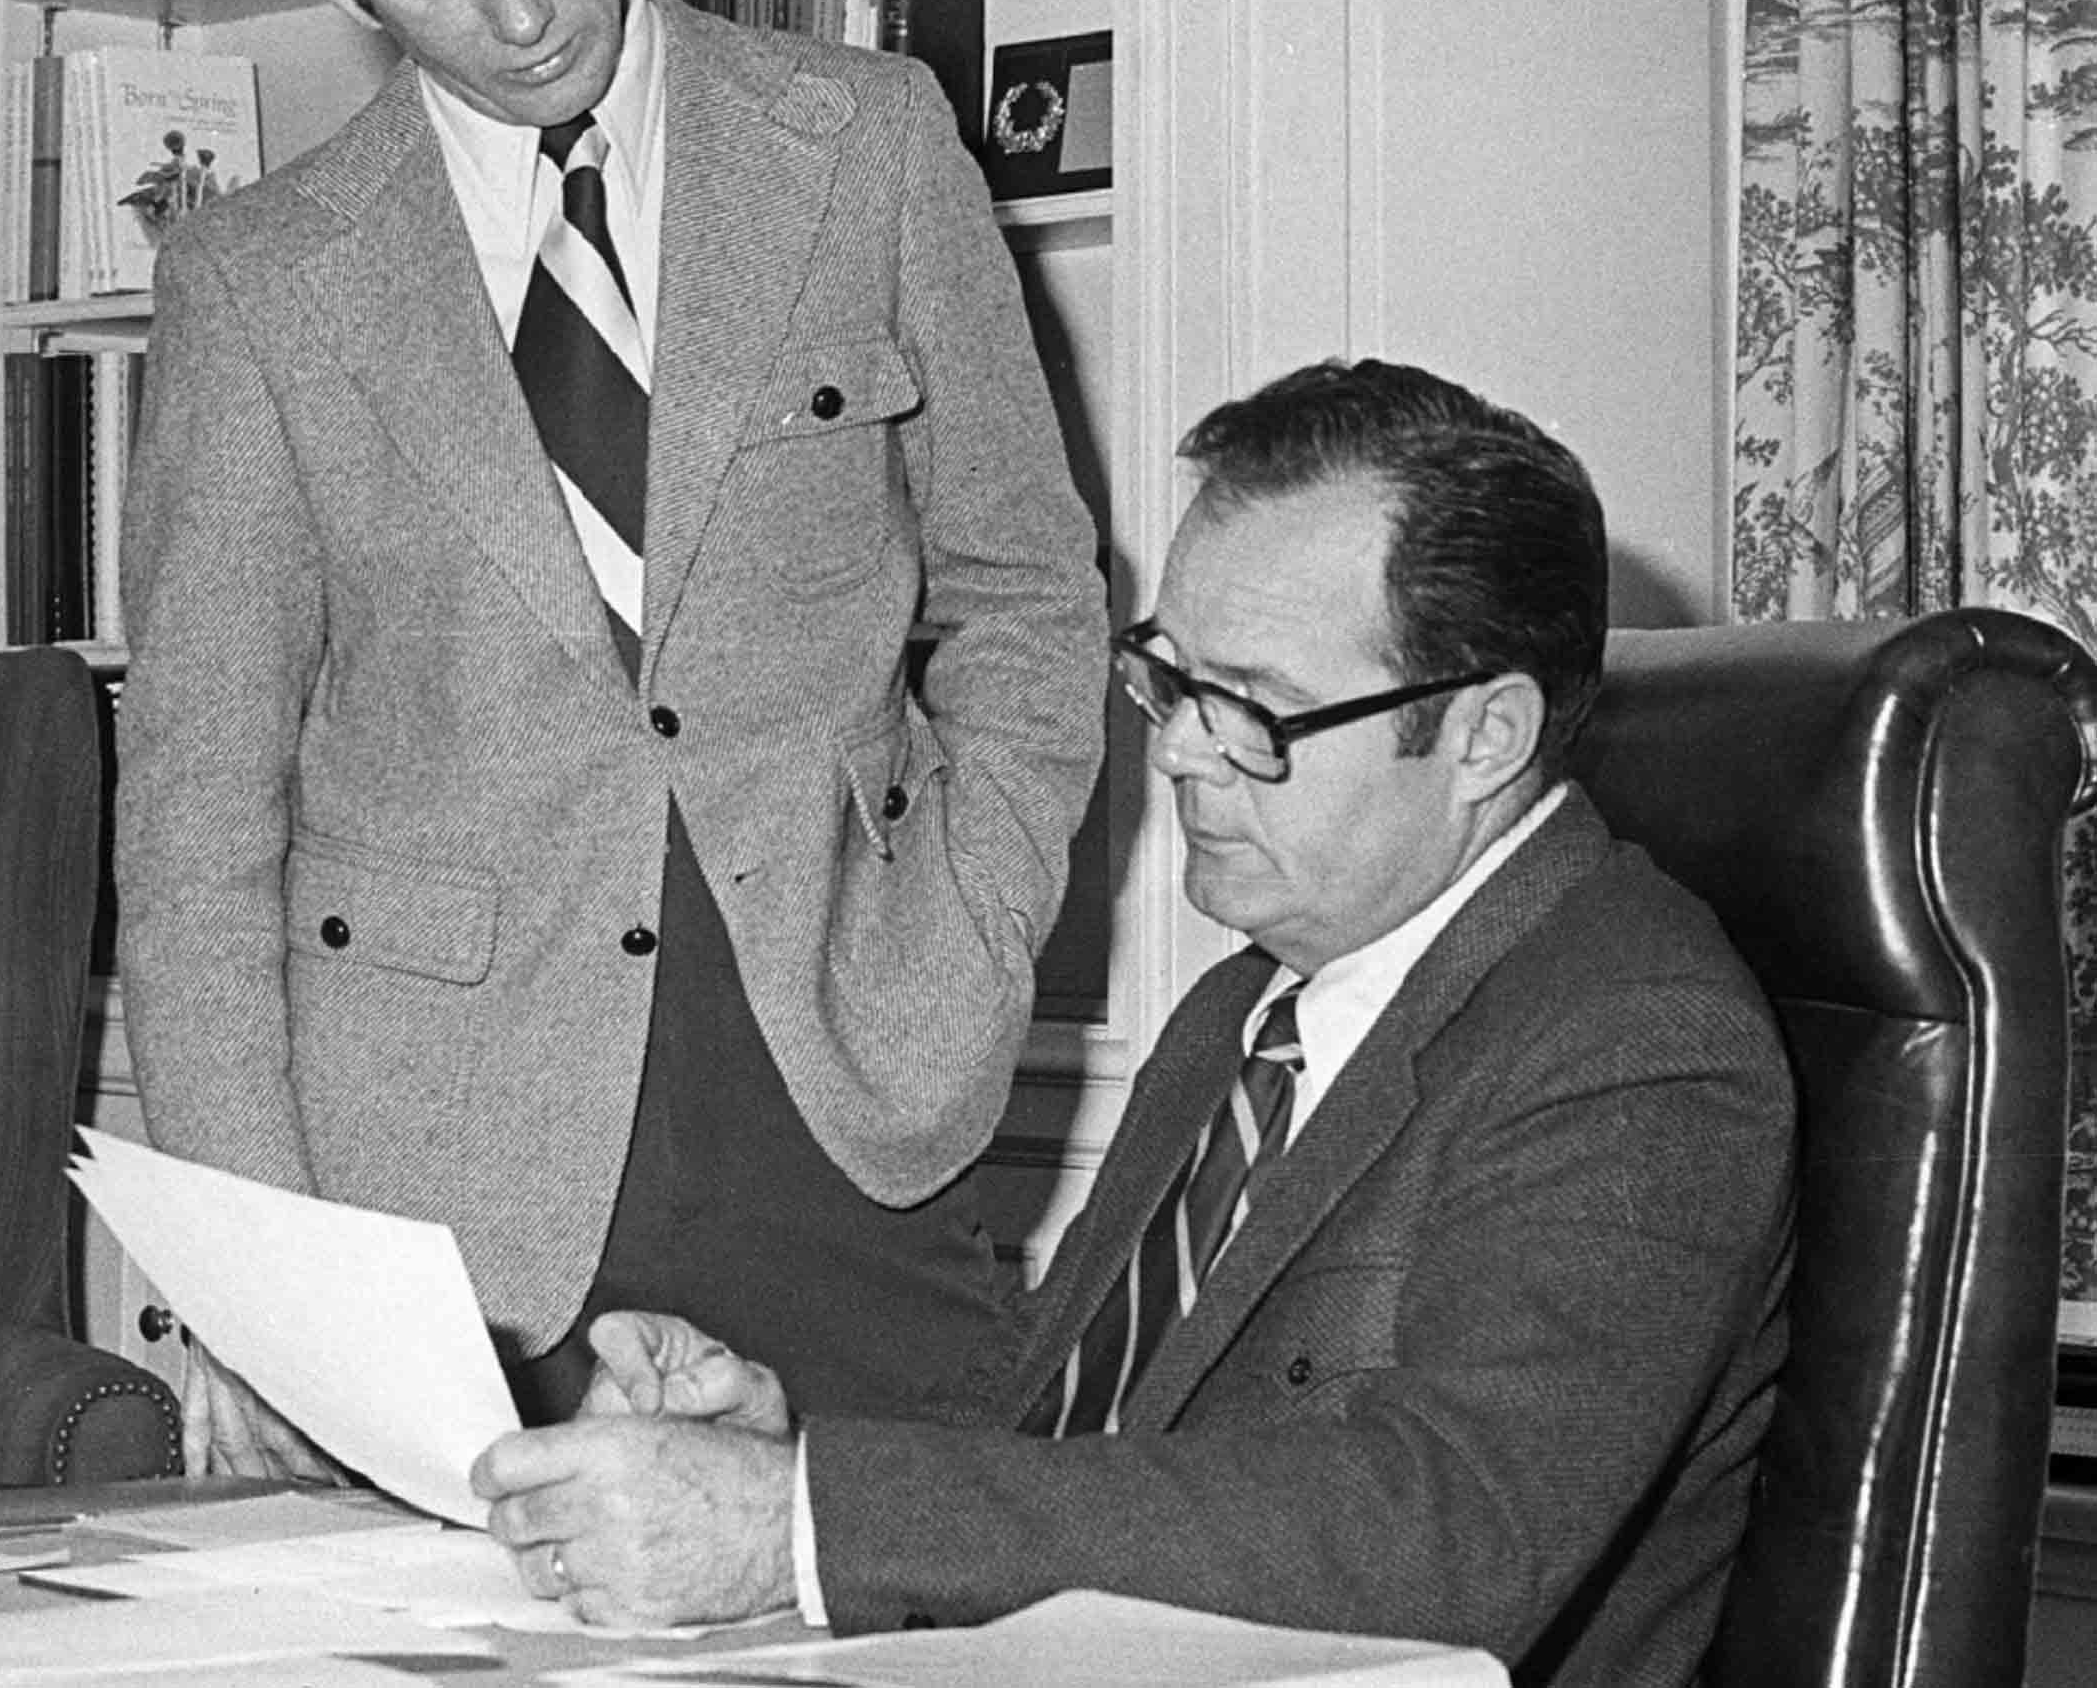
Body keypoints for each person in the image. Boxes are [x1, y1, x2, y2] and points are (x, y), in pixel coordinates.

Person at [113, 0, 1105, 1475]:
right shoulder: (255, 287)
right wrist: (262, 1297)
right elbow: (195, 828)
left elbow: (1029, 601)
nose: (519, 13)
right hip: (444, 1192)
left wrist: (968, 932)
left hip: (856, 1091)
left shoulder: (871, 151)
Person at [467, 358, 1797, 1686]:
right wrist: (780, 1451)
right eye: (1168, 677)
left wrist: (800, 1523)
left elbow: (1437, 1542)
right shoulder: (1250, 1004)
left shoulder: (1638, 1043)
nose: (1174, 752)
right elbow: (1064, 1435)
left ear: (1485, 735)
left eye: (1252, 709)